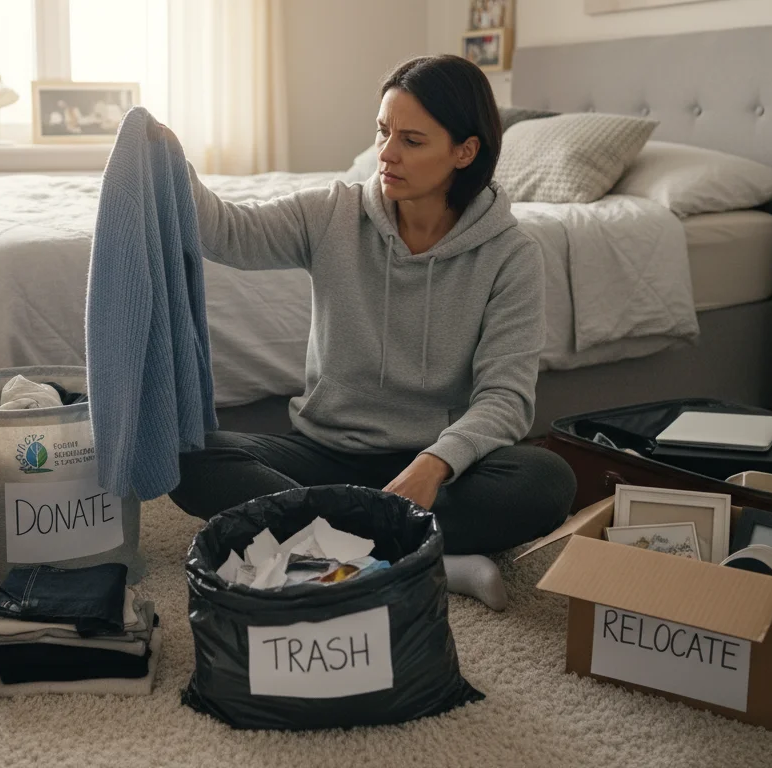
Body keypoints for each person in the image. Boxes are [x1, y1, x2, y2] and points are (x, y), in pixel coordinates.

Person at [160, 54, 576, 611]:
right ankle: (424, 556)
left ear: (465, 151)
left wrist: (435, 464)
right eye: (383, 131)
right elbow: (227, 233)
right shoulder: (334, 213)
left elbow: (506, 399)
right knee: (187, 454)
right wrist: (166, 154)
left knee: (547, 479)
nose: (386, 154)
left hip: (436, 465)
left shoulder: (512, 255)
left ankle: (332, 546)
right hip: (324, 451)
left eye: (411, 139)